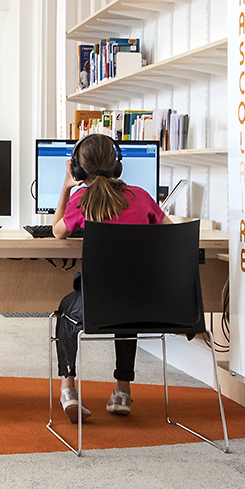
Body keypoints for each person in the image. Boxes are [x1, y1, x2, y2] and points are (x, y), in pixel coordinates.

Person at [52, 132, 166, 422]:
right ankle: (123, 391)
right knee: (125, 306)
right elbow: (170, 232)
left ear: (79, 169)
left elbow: (57, 231)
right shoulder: (141, 197)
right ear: (117, 165)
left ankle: (68, 389)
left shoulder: (81, 200)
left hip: (94, 306)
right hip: (139, 304)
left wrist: (66, 186)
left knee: (66, 309)